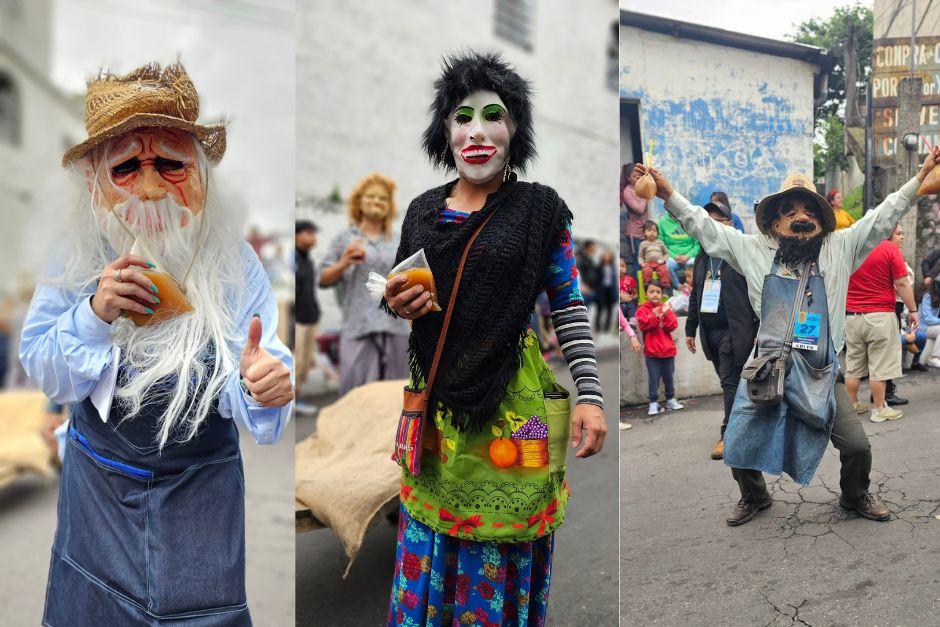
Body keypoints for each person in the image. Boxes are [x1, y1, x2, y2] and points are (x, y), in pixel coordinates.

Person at [19, 62, 293, 624]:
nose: (148, 188)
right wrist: (94, 313)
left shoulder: (232, 260)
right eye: (126, 168)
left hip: (203, 490)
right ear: (96, 181)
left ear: (199, 174)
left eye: (169, 165)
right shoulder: (73, 259)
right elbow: (42, 365)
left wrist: (266, 382)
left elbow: (259, 358)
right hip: (99, 492)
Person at [382, 52, 606, 625]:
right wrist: (396, 302)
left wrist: (591, 395)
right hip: (433, 402)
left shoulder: (539, 209)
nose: (476, 131)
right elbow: (401, 292)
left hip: (515, 399)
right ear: (445, 132)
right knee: (430, 532)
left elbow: (569, 305)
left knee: (505, 535)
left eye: (492, 116)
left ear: (515, 129)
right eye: (461, 117)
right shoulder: (422, 211)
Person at [636, 148, 938, 527]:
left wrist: (918, 178)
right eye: (791, 211)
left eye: (810, 212)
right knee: (738, 438)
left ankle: (854, 494)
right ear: (775, 221)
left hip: (822, 372)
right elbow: (704, 227)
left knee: (857, 445)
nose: (801, 218)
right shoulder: (751, 250)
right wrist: (667, 194)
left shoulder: (841, 247)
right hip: (768, 368)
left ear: (821, 221)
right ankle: (754, 496)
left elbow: (883, 216)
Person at [320, 173, 411, 395]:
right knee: (355, 398)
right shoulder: (345, 238)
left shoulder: (400, 239)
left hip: (395, 327)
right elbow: (322, 278)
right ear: (359, 202)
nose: (376, 202)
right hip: (358, 326)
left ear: (389, 205)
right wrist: (343, 263)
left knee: (394, 400)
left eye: (382, 198)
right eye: (371, 197)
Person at [686, 201, 758, 460]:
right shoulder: (702, 256)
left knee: (729, 381)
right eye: (708, 221)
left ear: (728, 224)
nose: (710, 226)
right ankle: (750, 423)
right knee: (731, 382)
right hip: (710, 332)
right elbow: (696, 293)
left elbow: (759, 291)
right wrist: (690, 328)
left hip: (735, 331)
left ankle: (727, 435)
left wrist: (759, 326)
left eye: (716, 221)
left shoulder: (739, 254)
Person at [843, 224, 917, 422]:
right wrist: (913, 310)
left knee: (853, 365)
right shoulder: (889, 248)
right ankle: (878, 409)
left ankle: (852, 405)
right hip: (880, 316)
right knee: (880, 366)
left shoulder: (851, 247)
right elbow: (902, 283)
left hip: (851, 316)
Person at [636, 282, 683, 416]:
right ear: (646, 294)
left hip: (668, 351)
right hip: (652, 353)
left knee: (669, 377)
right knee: (653, 379)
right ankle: (653, 403)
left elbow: (672, 325)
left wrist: (665, 313)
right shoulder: (642, 309)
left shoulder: (666, 308)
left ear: (662, 294)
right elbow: (643, 325)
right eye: (652, 292)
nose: (655, 294)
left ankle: (670, 399)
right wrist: (655, 316)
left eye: (658, 292)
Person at [294, 220, 321, 412]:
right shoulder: (292, 260)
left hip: (310, 319)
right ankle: (291, 404)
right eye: (308, 233)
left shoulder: (308, 261)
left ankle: (297, 400)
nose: (313, 238)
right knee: (296, 363)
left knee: (304, 366)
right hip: (297, 322)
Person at [658, 207, 700, 287]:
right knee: (666, 265)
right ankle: (677, 286)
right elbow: (660, 244)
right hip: (671, 257)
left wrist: (688, 256)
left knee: (695, 264)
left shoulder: (690, 221)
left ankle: (693, 289)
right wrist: (674, 256)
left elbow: (697, 244)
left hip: (689, 257)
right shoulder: (662, 223)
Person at [622, 163, 651, 269]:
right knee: (638, 262)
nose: (638, 177)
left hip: (647, 231)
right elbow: (639, 210)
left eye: (639, 175)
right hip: (635, 233)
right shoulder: (627, 192)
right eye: (635, 176)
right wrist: (644, 193)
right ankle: (638, 285)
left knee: (649, 261)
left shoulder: (643, 187)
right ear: (628, 177)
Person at [637, 220, 672, 290]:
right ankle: (647, 285)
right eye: (649, 230)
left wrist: (663, 260)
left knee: (664, 270)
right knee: (646, 271)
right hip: (648, 263)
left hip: (659, 263)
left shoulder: (660, 243)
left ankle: (664, 286)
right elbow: (640, 256)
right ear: (645, 232)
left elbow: (666, 253)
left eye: (654, 231)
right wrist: (641, 263)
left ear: (657, 233)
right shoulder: (643, 244)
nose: (652, 232)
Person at [595, 249, 619, 333]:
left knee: (610, 310)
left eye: (608, 256)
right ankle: (598, 327)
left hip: (610, 290)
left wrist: (615, 293)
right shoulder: (599, 267)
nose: (607, 257)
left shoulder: (613, 267)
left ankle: (606, 328)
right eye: (605, 255)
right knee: (600, 309)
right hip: (601, 290)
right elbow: (596, 280)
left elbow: (615, 280)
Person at [920, 280, 940, 368]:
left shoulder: (937, 298)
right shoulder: (927, 296)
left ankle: (932, 358)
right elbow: (928, 319)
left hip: (932, 328)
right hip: (923, 327)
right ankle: (934, 357)